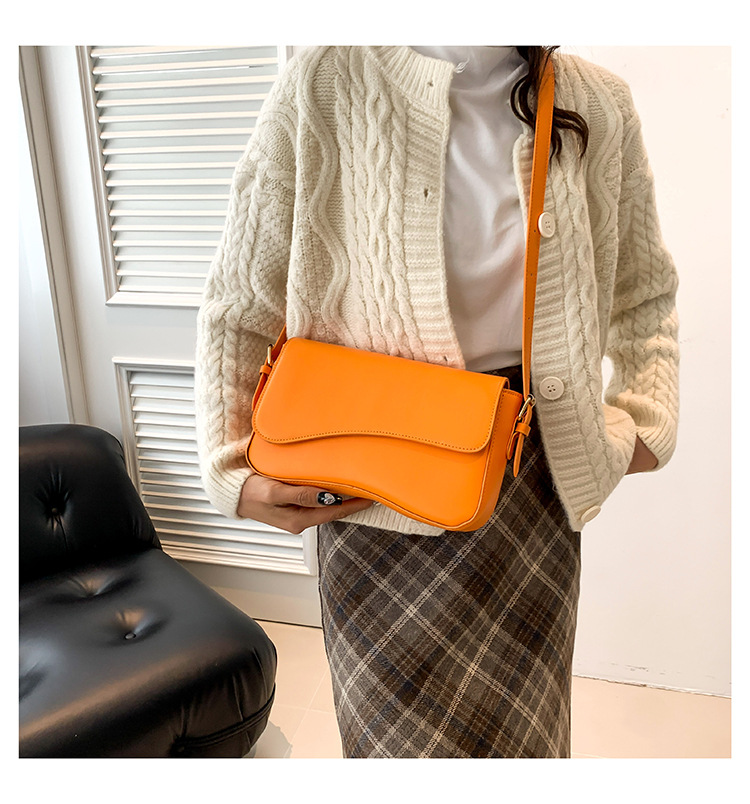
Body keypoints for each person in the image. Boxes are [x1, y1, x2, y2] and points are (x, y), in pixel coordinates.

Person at [194, 46, 679, 758]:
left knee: (527, 745)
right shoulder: (326, 79)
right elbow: (241, 298)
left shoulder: (597, 101)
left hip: (527, 492)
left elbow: (645, 291)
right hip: (369, 503)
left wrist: (647, 420)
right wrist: (229, 468)